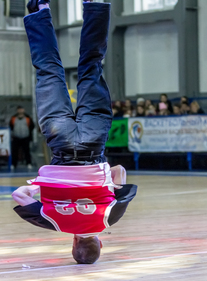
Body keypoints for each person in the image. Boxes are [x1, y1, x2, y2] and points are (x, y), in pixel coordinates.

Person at [12, 0, 137, 265]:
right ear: (73, 243)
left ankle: (96, 5)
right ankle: (39, 9)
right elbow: (18, 196)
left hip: (93, 140)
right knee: (48, 73)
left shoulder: (110, 217)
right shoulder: (52, 221)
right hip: (60, 140)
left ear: (100, 241)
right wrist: (37, 188)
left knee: (91, 66)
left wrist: (106, 180)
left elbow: (120, 172)